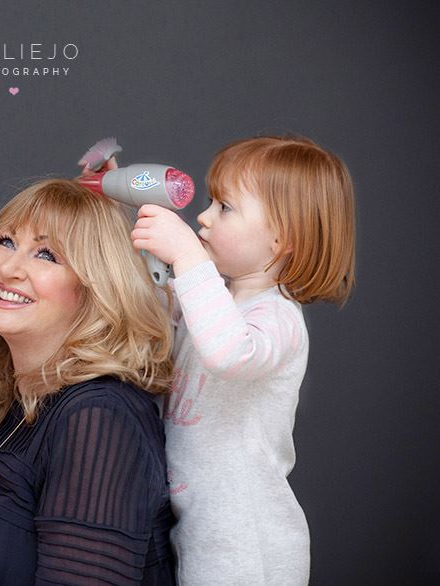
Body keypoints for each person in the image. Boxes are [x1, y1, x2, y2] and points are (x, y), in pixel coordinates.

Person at [0, 179, 176, 585]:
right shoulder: (20, 405)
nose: (9, 268)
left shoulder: (99, 418)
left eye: (46, 255)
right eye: (6, 242)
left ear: (95, 288)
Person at [131, 135, 356, 585]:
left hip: (248, 545)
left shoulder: (278, 318)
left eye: (225, 208)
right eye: (211, 203)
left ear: (283, 237)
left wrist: (189, 255)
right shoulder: (212, 300)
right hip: (195, 528)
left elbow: (228, 352)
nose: (204, 217)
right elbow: (154, 321)